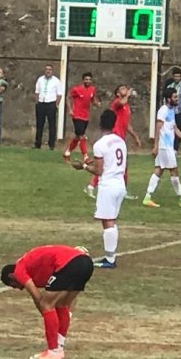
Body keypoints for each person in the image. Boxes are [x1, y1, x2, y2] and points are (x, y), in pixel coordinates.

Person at [0, 245, 93, 359]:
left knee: (46, 304)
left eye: (14, 285)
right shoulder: (36, 270)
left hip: (71, 263)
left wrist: (48, 315)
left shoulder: (19, 270)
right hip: (86, 263)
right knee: (61, 304)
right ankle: (59, 347)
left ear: (11, 276)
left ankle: (53, 351)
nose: (19, 289)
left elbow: (37, 297)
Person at [71, 110, 127, 269]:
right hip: (120, 184)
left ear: (100, 123)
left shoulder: (100, 145)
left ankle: (110, 259)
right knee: (111, 220)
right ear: (114, 123)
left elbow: (99, 170)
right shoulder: (120, 141)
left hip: (108, 185)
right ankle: (111, 255)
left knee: (107, 221)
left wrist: (82, 166)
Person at [84, 85, 141, 200]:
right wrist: (128, 95)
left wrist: (135, 136)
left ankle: (120, 190)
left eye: (126, 88)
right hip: (113, 137)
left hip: (120, 139)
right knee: (108, 164)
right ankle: (92, 186)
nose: (126, 90)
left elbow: (127, 124)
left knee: (121, 165)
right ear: (118, 94)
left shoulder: (126, 106)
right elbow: (121, 103)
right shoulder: (116, 102)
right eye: (123, 89)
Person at [142, 88, 181, 209]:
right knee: (174, 171)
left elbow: (175, 128)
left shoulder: (171, 111)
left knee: (159, 170)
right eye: (175, 97)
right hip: (164, 147)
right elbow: (158, 128)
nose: (177, 99)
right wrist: (155, 146)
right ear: (168, 99)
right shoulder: (163, 110)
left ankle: (147, 197)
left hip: (167, 146)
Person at [63, 72, 100, 163]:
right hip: (77, 116)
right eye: (86, 79)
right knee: (82, 136)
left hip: (85, 117)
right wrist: (70, 110)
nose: (88, 81)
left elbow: (92, 99)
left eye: (89, 79)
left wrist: (96, 103)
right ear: (83, 80)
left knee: (77, 137)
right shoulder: (77, 89)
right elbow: (68, 97)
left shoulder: (92, 89)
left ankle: (67, 153)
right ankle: (86, 157)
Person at [33, 64, 62, 150]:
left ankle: (51, 145)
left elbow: (59, 94)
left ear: (52, 71)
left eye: (50, 69)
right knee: (39, 124)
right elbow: (37, 91)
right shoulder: (40, 79)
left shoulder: (56, 81)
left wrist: (56, 104)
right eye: (46, 69)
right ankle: (37, 144)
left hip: (51, 104)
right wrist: (37, 102)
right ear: (44, 70)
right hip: (41, 103)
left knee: (52, 125)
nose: (48, 71)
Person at [163, 67, 181, 150]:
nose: (177, 78)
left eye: (178, 76)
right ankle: (171, 145)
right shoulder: (170, 86)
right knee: (171, 128)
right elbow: (165, 99)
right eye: (175, 76)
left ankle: (176, 146)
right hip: (171, 111)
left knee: (178, 127)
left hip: (180, 111)